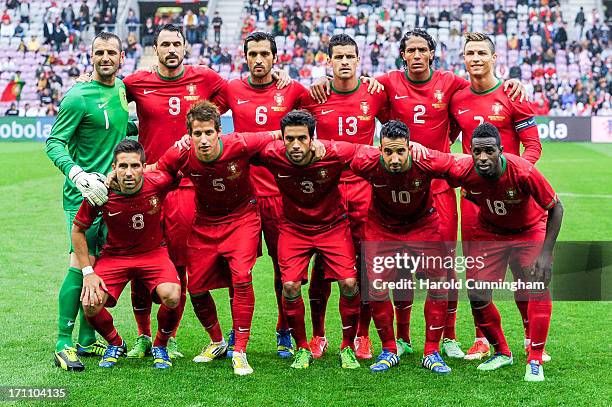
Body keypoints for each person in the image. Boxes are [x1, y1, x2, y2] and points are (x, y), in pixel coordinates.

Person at [155, 101, 287, 375]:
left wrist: (316, 144)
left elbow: (277, 134)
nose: (203, 140)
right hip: (205, 224)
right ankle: (217, 341)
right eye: (197, 134)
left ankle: (239, 349)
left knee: (241, 277)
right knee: (196, 288)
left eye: (208, 133)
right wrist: (118, 177)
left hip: (242, 220)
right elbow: (158, 171)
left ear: (219, 131)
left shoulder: (239, 143)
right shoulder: (181, 152)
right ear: (188, 135)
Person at [120, 24, 227, 360]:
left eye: (176, 44)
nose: (170, 49)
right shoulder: (136, 82)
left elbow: (231, 96)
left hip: (185, 187)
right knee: (140, 261)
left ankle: (170, 337)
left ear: (185, 48)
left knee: (179, 265)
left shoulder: (205, 79)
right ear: (155, 49)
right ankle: (142, 335)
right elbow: (107, 94)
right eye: (164, 44)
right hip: (147, 185)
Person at [449, 32, 545, 361]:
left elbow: (533, 145)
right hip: (475, 200)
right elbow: (444, 138)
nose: (475, 58)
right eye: (469, 53)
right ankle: (481, 339)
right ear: (463, 59)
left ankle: (530, 337)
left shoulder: (512, 94)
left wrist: (516, 175)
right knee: (477, 275)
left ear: (494, 59)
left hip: (511, 198)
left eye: (481, 53)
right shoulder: (457, 98)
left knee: (524, 275)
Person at [446, 123, 563, 382]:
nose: (483, 157)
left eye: (489, 151)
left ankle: (534, 358)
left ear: (501, 150)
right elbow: (471, 194)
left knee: (536, 284)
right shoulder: (468, 172)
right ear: (471, 151)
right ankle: (501, 352)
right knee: (476, 293)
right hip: (492, 233)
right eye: (477, 151)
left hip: (529, 230)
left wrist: (545, 255)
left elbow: (556, 208)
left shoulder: (523, 171)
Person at [45, 32, 133, 371]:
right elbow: (54, 143)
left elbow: (120, 132)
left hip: (114, 196)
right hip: (82, 196)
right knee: (79, 264)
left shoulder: (122, 90)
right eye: (100, 52)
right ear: (91, 56)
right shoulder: (78, 96)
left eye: (112, 51)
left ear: (121, 57)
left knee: (99, 268)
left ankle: (85, 339)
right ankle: (63, 342)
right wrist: (78, 175)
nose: (106, 57)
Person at [298, 33, 389, 360]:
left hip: (365, 191)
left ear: (358, 59)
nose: (345, 62)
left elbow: (396, 125)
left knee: (365, 266)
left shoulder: (375, 93)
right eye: (339, 57)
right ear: (329, 61)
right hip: (327, 191)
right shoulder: (313, 96)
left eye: (350, 56)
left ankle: (361, 336)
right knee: (323, 264)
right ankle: (318, 333)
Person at [220, 31, 309, 359]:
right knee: (236, 268)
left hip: (279, 194)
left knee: (282, 267)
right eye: (252, 54)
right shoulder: (231, 88)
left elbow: (321, 107)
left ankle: (284, 330)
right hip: (241, 193)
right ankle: (235, 329)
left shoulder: (292, 89)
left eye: (264, 54)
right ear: (245, 57)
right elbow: (202, 113)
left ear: (275, 58)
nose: (258, 60)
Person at [256, 110, 362, 370]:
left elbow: (369, 152)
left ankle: (347, 347)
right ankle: (302, 347)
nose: (295, 145)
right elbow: (236, 145)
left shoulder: (335, 152)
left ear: (312, 137)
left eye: (302, 138)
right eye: (289, 139)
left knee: (349, 283)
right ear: (281, 139)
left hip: (332, 226)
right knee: (290, 286)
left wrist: (412, 146)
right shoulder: (272, 154)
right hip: (294, 228)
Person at [352, 120, 458, 374]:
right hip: (382, 229)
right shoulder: (365, 162)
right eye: (388, 152)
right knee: (375, 287)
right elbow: (332, 151)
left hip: (423, 226)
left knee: (440, 283)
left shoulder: (426, 160)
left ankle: (431, 352)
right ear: (379, 149)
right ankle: (389, 350)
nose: (395, 158)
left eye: (401, 151)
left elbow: (463, 165)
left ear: (410, 148)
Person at [74, 140, 181, 370]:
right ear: (114, 167)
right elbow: (78, 230)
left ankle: (160, 345)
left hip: (153, 253)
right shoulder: (101, 192)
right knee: (90, 303)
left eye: (135, 166)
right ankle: (115, 343)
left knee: (172, 296)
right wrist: (88, 272)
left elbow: (180, 171)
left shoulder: (158, 182)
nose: (129, 173)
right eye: (123, 166)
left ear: (144, 166)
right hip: (115, 256)